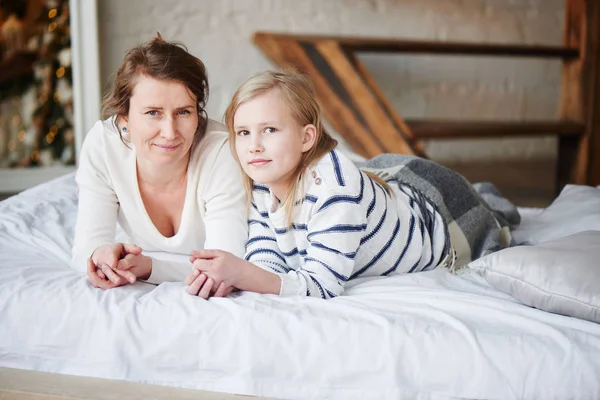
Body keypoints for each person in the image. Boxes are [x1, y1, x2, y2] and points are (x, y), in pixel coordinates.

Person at [184, 70, 451, 299]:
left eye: (270, 130)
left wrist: (242, 273)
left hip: (430, 224)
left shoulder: (334, 189)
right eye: (243, 132)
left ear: (306, 138)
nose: (253, 146)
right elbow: (265, 251)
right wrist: (242, 278)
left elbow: (323, 285)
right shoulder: (262, 177)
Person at [70, 33, 247, 297]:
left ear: (198, 115)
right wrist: (102, 256)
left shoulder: (221, 152)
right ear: (124, 119)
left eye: (183, 112)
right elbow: (86, 251)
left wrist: (150, 267)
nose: (170, 132)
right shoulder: (103, 146)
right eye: (153, 113)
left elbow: (224, 267)